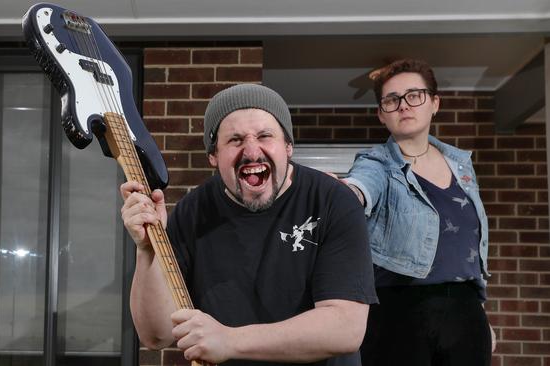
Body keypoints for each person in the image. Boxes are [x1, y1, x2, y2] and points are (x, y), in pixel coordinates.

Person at [120, 84, 378, 366]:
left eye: (265, 136)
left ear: (288, 146)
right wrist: (148, 249)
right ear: (213, 157)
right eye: (235, 140)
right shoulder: (192, 212)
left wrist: (229, 341)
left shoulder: (333, 201)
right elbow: (156, 336)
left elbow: (345, 329)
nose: (252, 151)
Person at [340, 59, 494, 366]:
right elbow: (360, 187)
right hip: (398, 314)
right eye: (391, 100)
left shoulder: (461, 165)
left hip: (465, 311)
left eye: (414, 95)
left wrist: (478, 317)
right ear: (381, 114)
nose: (403, 106)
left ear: (434, 103)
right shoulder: (376, 163)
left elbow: (464, 251)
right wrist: (345, 194)